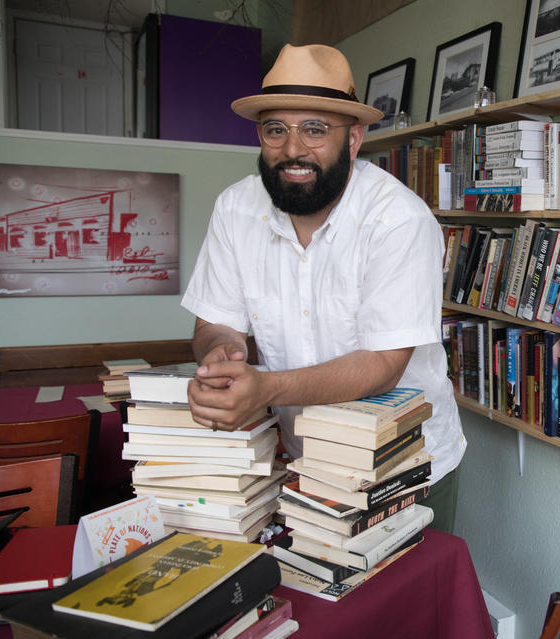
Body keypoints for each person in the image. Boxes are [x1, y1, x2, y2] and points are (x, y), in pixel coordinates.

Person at [180, 44, 465, 533]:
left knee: (403, 607)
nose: (293, 150)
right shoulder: (235, 209)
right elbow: (215, 320)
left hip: (403, 466)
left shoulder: (399, 219)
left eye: (314, 129)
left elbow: (381, 366)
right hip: (301, 461)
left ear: (353, 140)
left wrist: (264, 387)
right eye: (276, 130)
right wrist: (222, 355)